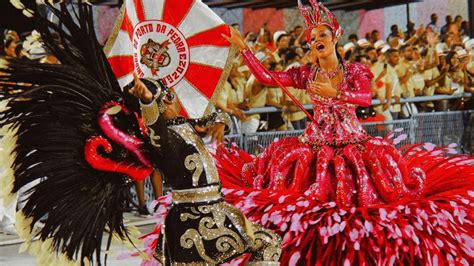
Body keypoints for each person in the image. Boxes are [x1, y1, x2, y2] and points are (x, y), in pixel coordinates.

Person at [221, 1, 474, 264]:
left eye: (323, 34)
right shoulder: (307, 73)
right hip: (315, 142)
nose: (317, 39)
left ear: (335, 37)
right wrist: (244, 49)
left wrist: (336, 93)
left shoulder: (353, 70)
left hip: (352, 140)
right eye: (313, 37)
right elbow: (266, 77)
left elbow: (365, 97)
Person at [128, 75, 282, 264]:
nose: (177, 97)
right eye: (171, 93)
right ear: (167, 99)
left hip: (214, 211)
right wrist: (148, 103)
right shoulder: (163, 139)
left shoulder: (184, 124)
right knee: (268, 242)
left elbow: (217, 114)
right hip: (193, 220)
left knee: (269, 242)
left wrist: (220, 124)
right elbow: (155, 129)